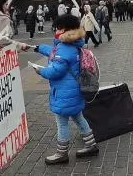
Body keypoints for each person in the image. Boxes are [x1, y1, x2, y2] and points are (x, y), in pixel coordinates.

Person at [32, 14, 98, 164]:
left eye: (58, 28)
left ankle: (62, 154)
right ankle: (91, 145)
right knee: (78, 116)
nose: (56, 30)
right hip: (74, 90)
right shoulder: (73, 44)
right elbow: (54, 52)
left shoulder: (64, 48)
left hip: (64, 92)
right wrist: (38, 48)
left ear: (64, 29)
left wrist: (40, 71)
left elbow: (55, 70)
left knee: (62, 122)